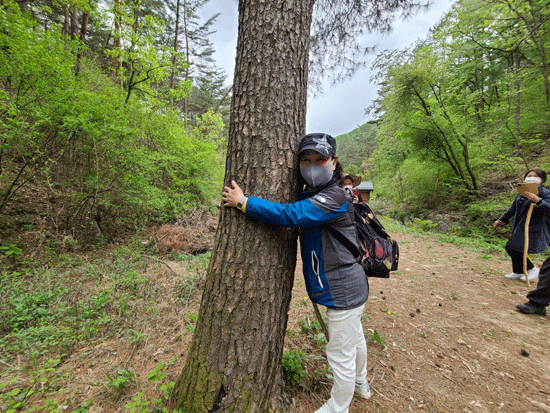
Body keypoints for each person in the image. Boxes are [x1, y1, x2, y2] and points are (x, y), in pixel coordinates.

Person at [222, 133, 371, 413]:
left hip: (343, 290)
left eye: (320, 159)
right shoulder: (320, 194)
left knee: (340, 353)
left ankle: (338, 408)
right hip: (349, 286)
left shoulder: (334, 196)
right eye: (306, 160)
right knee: (355, 338)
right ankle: (361, 383)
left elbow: (291, 215)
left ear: (334, 162)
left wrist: (244, 202)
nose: (313, 165)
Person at [493, 169, 550, 281]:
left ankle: (532, 269)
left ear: (541, 179)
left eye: (535, 176)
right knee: (514, 247)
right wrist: (501, 220)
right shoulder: (522, 190)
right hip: (520, 224)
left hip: (535, 226)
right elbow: (513, 208)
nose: (531, 177)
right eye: (529, 175)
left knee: (511, 247)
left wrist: (538, 200)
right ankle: (519, 271)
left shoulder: (545, 193)